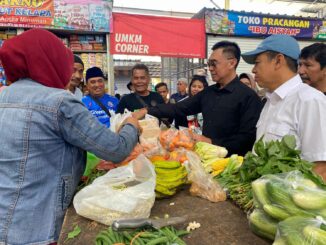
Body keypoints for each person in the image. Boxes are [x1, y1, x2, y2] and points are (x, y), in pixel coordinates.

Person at [0, 29, 141, 245]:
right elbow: (116, 149)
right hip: (36, 229)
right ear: (50, 61)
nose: (71, 74)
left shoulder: (3, 95)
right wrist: (131, 124)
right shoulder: (59, 102)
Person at [134, 41, 263, 156]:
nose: (210, 68)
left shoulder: (248, 97)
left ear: (232, 63)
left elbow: (247, 138)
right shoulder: (209, 93)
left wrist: (211, 142)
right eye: (209, 64)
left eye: (214, 64)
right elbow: (179, 108)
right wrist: (146, 111)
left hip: (233, 166)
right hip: (206, 158)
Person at [242, 34, 326, 180]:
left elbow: (319, 168)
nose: (254, 70)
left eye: (257, 62)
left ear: (278, 61)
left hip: (287, 200)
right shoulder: (270, 101)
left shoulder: (310, 100)